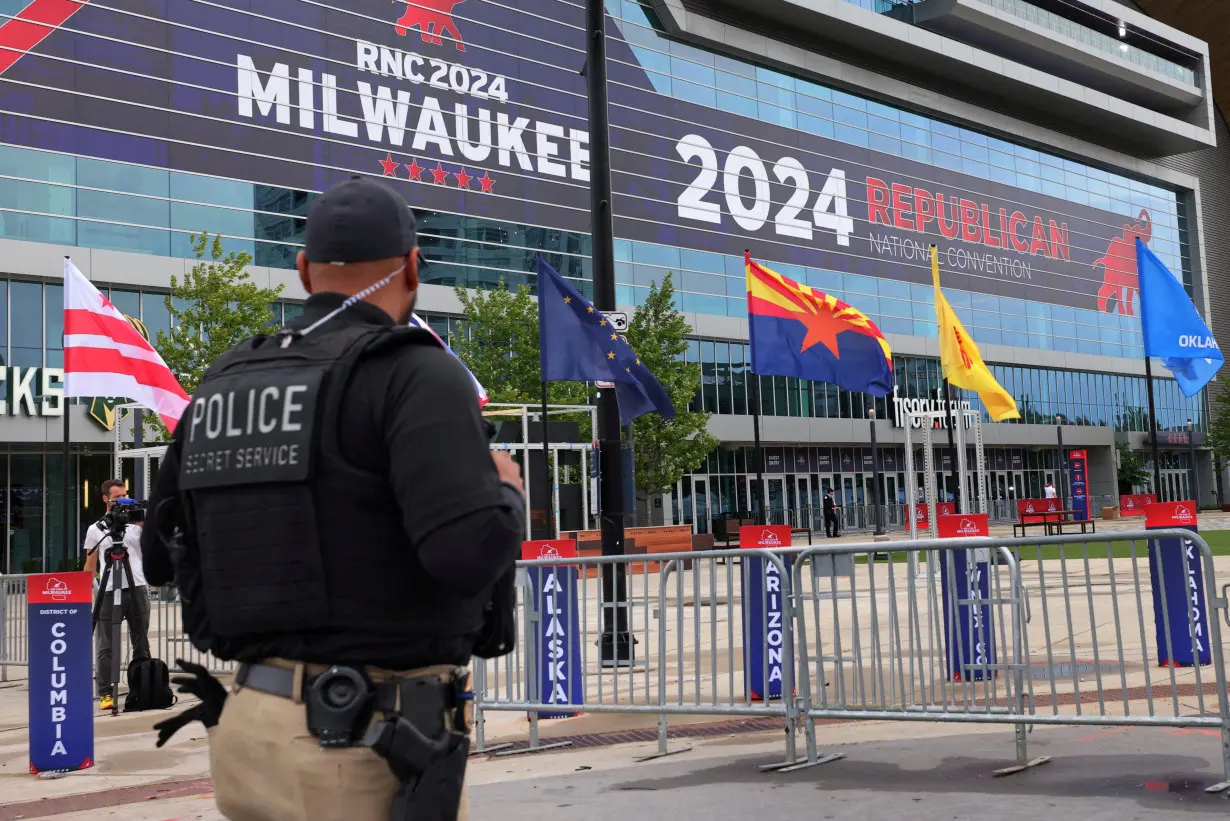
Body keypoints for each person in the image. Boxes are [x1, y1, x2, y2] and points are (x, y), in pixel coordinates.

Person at [141, 176, 525, 821]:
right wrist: (507, 492)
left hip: (250, 731)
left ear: (301, 270)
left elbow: (159, 555)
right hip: (360, 743)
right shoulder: (416, 371)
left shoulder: (223, 382)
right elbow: (466, 555)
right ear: (411, 267)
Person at [83, 478, 150, 711]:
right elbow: (90, 564)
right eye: (117, 497)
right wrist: (84, 591)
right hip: (109, 588)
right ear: (105, 499)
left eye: (125, 495)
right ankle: (105, 693)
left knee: (140, 640)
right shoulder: (96, 529)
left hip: (137, 586)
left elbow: (147, 554)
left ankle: (142, 688)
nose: (123, 501)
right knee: (105, 644)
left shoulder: (135, 527)